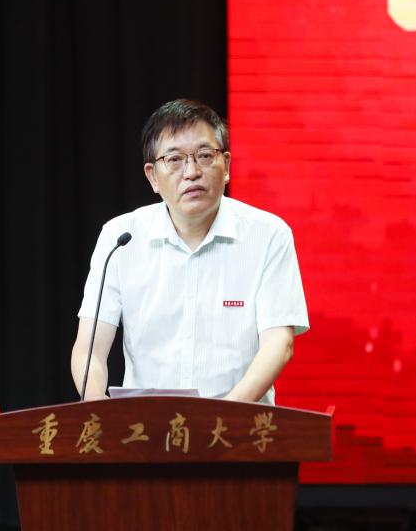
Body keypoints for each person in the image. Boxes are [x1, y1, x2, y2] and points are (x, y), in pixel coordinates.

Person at [70, 99, 309, 404]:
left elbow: (279, 344)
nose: (192, 172)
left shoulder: (268, 235)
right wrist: (97, 408)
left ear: (226, 166)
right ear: (152, 176)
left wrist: (222, 416)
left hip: (239, 423)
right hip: (146, 427)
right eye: (174, 159)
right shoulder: (120, 238)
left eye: (205, 156)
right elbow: (89, 350)